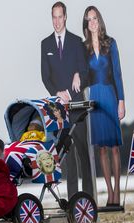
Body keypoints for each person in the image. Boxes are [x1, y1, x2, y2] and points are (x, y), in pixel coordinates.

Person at [40, 1, 93, 199]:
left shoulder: (77, 42)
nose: (56, 21)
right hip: (59, 109)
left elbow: (86, 73)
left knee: (83, 153)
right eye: (53, 17)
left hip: (78, 106)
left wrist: (78, 74)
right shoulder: (45, 44)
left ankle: (89, 199)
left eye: (60, 16)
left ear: (66, 17)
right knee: (68, 156)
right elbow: (45, 76)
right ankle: (73, 200)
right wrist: (58, 93)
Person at [82, 6, 125, 207]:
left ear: (100, 20)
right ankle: (109, 193)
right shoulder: (84, 48)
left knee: (114, 147)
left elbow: (117, 73)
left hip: (109, 95)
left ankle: (117, 192)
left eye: (95, 18)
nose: (92, 22)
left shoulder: (111, 43)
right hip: (94, 97)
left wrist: (122, 101)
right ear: (86, 23)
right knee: (101, 149)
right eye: (88, 19)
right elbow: (82, 75)